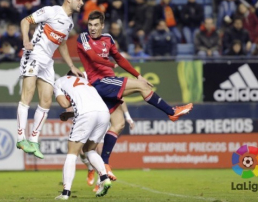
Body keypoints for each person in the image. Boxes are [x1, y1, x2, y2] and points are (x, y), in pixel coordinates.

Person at [77, 11, 193, 180]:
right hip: (100, 83)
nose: (92, 28)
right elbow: (93, 58)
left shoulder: (108, 38)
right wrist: (111, 64)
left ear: (102, 25)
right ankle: (171, 112)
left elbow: (120, 58)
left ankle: (105, 165)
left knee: (118, 124)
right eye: (90, 25)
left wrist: (138, 75)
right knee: (141, 87)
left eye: (96, 25)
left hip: (109, 82)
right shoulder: (83, 38)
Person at [15, 0, 86, 159]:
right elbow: (26, 21)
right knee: (28, 94)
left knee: (46, 100)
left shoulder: (69, 23)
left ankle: (33, 140)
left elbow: (61, 44)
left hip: (47, 61)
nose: (81, 3)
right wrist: (25, 39)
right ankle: (20, 138)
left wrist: (71, 65)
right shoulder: (51, 11)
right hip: (34, 54)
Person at [53, 72, 112, 200]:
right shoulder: (85, 81)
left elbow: (64, 104)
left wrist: (65, 101)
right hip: (104, 113)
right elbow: (87, 102)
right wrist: (71, 113)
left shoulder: (59, 81)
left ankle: (66, 192)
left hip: (86, 114)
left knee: (72, 153)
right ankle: (104, 177)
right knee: (89, 149)